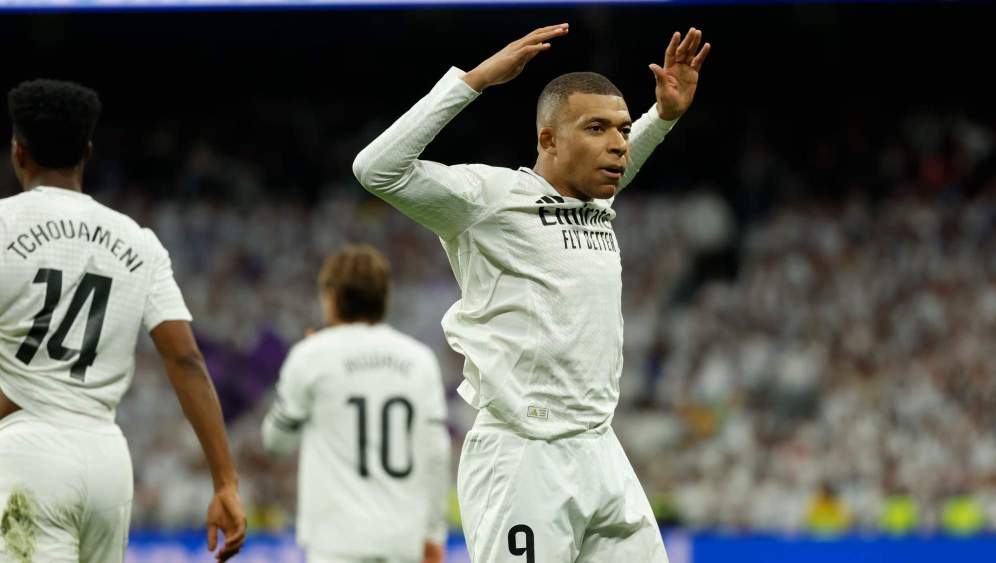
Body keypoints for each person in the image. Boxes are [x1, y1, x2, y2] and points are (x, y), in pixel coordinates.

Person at [353, 22, 709, 563]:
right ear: (548, 140)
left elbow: (620, 164)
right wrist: (474, 81)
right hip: (524, 455)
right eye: (596, 128)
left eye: (621, 129)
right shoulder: (489, 199)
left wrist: (661, 116)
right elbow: (376, 169)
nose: (617, 144)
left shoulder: (593, 205)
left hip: (601, 449)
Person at [0, 79, 246, 563]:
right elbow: (186, 360)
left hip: (28, 452)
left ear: (18, 152)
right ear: (87, 153)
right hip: (107, 460)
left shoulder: (4, 224)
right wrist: (225, 482)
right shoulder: (138, 241)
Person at [262, 244, 450, 563]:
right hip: (402, 542)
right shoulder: (421, 361)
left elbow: (276, 442)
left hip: (336, 544)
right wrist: (433, 533)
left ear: (330, 297)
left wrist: (300, 383)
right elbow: (436, 454)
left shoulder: (310, 357)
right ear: (385, 297)